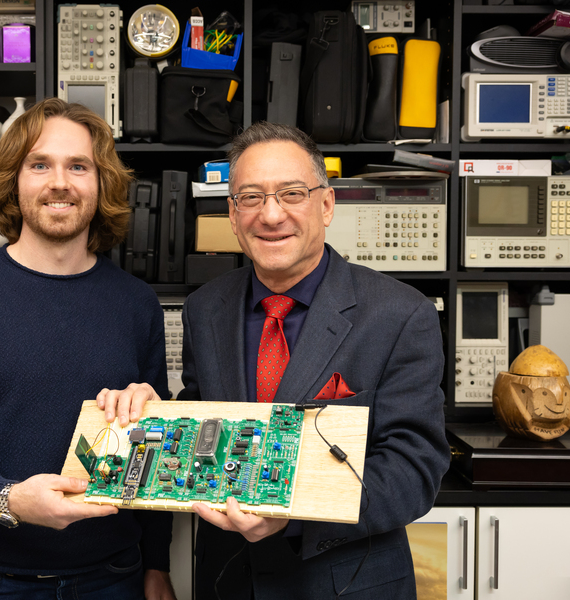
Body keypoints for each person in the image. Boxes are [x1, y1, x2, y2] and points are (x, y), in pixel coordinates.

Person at [0, 97, 175, 600]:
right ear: (13, 180)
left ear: (101, 182)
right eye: (40, 164)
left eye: (78, 166)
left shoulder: (138, 305)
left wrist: (157, 565)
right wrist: (9, 500)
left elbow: (157, 442)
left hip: (116, 576)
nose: (60, 182)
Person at [177, 121, 449, 599]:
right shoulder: (205, 309)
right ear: (233, 213)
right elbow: (204, 421)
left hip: (345, 583)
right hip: (227, 581)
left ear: (326, 205)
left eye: (292, 193)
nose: (271, 214)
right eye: (251, 198)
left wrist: (293, 515)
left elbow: (414, 469)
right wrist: (148, 411)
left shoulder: (402, 314)